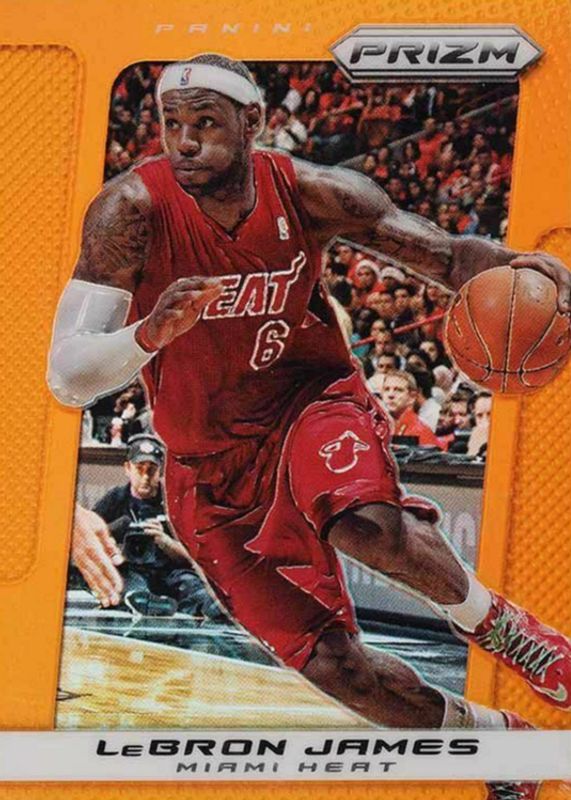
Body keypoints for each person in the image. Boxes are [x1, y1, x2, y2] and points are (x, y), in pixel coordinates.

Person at [47, 53, 571, 800]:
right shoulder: (128, 211)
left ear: (252, 123)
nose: (185, 141)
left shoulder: (315, 192)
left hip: (307, 399)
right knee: (333, 666)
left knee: (361, 522)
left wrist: (529, 270)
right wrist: (147, 334)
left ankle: (498, 626)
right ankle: (492, 739)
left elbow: (450, 255)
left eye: (206, 123)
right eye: (172, 123)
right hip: (206, 468)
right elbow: (66, 375)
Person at [93, 434, 224, 619]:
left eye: (152, 470)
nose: (145, 477)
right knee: (127, 583)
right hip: (131, 570)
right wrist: (117, 538)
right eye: (139, 469)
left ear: (161, 471)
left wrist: (165, 542)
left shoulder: (176, 501)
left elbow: (199, 557)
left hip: (169, 571)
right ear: (127, 468)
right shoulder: (115, 499)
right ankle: (144, 602)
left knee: (191, 585)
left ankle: (209, 606)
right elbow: (89, 540)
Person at [381, 370, 443, 448]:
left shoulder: (420, 431)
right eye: (386, 389)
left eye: (398, 390)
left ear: (412, 397)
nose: (390, 395)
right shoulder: (380, 427)